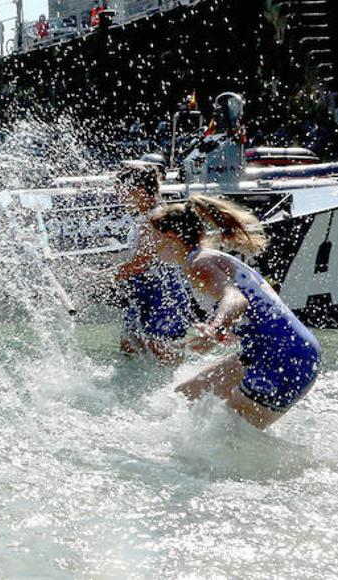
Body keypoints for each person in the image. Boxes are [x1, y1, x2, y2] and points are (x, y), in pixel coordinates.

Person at [146, 195, 319, 429]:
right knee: (185, 396)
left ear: (171, 237)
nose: (150, 243)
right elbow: (256, 311)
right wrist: (232, 332)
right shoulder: (205, 258)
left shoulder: (198, 263)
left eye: (153, 236)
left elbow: (237, 299)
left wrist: (216, 329)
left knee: (232, 438)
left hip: (285, 356)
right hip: (272, 350)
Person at [94, 163, 192, 363]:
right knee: (130, 348)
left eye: (122, 192)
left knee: (164, 356)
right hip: (143, 296)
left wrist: (103, 276)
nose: (120, 198)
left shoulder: (155, 218)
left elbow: (142, 262)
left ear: (138, 191)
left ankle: (183, 391)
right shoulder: (146, 217)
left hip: (163, 298)